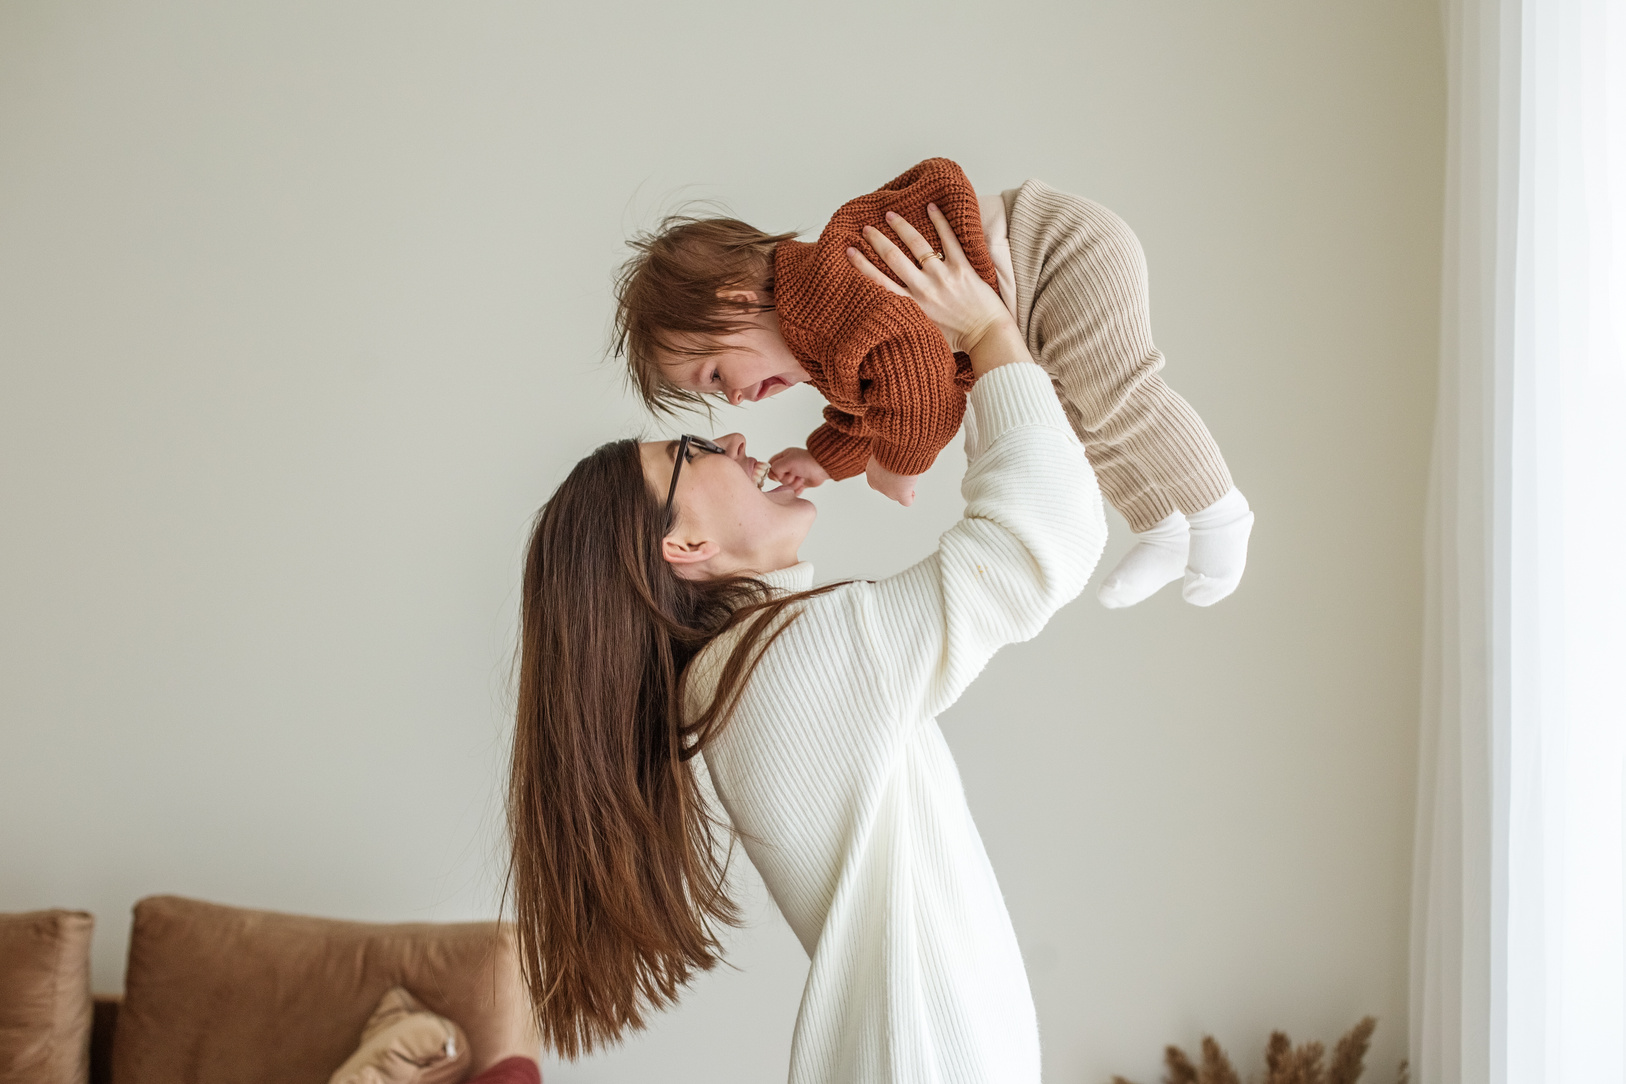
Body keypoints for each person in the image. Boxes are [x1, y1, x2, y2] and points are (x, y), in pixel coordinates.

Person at [508, 210, 1107, 1083]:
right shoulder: (786, 661)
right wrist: (984, 330)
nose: (738, 434)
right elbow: (1041, 539)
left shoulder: (747, 672)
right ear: (684, 546)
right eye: (697, 449)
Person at [613, 156, 1254, 608]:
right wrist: (825, 459)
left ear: (738, 302)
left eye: (717, 372)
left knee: (1119, 398)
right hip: (1027, 304)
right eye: (713, 392)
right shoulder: (816, 339)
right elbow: (869, 403)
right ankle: (1163, 526)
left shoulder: (822, 291)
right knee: (1081, 421)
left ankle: (1221, 516)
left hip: (1054, 253)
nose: (730, 399)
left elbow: (917, 372)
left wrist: (900, 462)